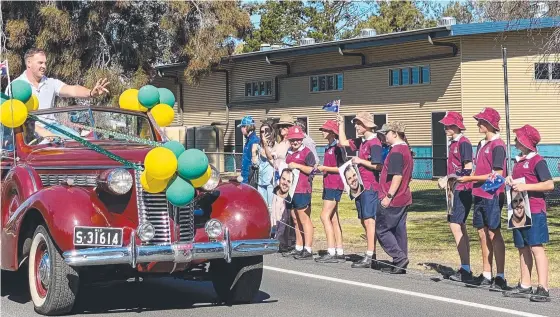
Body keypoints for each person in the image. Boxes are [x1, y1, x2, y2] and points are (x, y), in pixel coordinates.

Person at [3, 47, 109, 140]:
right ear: (29, 63)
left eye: (45, 63)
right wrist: (42, 132)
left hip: (54, 127)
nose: (44, 66)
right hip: (27, 133)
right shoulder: (15, 87)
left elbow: (72, 90)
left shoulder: (51, 83)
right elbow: (12, 118)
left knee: (81, 143)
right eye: (40, 63)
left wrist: (90, 93)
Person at [458, 107, 508, 291]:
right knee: (481, 233)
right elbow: (478, 168)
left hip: (492, 194)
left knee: (494, 233)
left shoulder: (498, 145)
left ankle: (500, 276)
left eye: (481, 121)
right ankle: (487, 273)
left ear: (490, 124)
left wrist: (471, 179)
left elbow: (497, 174)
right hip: (478, 194)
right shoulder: (481, 144)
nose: (478, 124)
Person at [502, 124, 554, 302]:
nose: (515, 141)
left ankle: (543, 287)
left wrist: (526, 186)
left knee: (536, 247)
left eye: (518, 138)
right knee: (522, 247)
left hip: (535, 210)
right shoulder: (518, 161)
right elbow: (519, 182)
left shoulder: (537, 161)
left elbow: (549, 184)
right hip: (519, 209)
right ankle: (525, 284)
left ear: (525, 142)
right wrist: (510, 180)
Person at [337, 112, 383, 269]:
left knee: (370, 220)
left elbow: (379, 165)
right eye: (355, 123)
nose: (356, 126)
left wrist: (361, 161)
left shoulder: (375, 143)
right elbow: (343, 141)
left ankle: (370, 255)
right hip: (360, 187)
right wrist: (340, 124)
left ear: (367, 125)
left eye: (359, 123)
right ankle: (372, 252)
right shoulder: (361, 141)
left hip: (370, 186)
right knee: (364, 219)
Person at [439, 111, 474, 283]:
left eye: (448, 125)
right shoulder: (452, 143)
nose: (445, 128)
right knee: (460, 225)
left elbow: (468, 168)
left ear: (456, 126)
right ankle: (465, 266)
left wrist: (449, 177)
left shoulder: (463, 143)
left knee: (455, 225)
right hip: (454, 189)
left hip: (463, 188)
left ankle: (465, 268)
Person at [376, 122, 414, 274]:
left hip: (394, 198)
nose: (384, 136)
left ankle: (399, 258)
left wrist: (388, 196)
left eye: (386, 133)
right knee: (399, 230)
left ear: (394, 133)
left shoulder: (397, 151)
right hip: (404, 196)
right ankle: (401, 261)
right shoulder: (405, 149)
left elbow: (397, 176)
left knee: (382, 230)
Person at [284, 125, 317, 260]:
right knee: (295, 219)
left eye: (297, 139)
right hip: (290, 190)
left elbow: (312, 170)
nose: (295, 142)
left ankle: (308, 248)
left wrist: (297, 165)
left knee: (304, 219)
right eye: (292, 140)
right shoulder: (289, 152)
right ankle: (299, 246)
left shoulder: (307, 152)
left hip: (302, 189)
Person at [315, 120, 346, 263]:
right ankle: (339, 249)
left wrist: (324, 168)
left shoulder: (338, 147)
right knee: (333, 217)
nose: (323, 131)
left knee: (324, 216)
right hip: (328, 184)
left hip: (335, 184)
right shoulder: (328, 147)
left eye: (326, 130)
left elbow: (342, 168)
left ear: (333, 132)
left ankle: (331, 250)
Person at [253, 121, 275, 212]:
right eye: (262, 131)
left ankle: (273, 225)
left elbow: (269, 157)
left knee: (271, 207)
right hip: (261, 180)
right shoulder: (258, 146)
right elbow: (256, 164)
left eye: (266, 131)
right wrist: (253, 154)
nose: (264, 133)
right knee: (263, 206)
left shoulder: (275, 145)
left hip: (271, 181)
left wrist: (265, 146)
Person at [238, 115, 260, 186]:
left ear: (246, 127)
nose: (241, 129)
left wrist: (250, 176)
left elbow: (255, 161)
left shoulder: (255, 140)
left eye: (242, 127)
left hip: (250, 177)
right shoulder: (248, 140)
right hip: (244, 176)